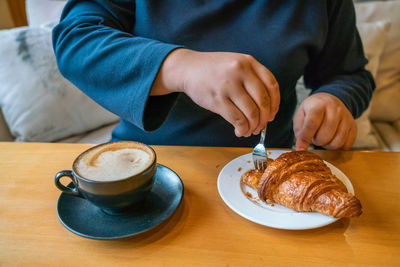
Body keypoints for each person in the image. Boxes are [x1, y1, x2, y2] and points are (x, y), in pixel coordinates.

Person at [52, 0, 375, 150]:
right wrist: (179, 66)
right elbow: (75, 39)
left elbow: (349, 75)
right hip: (151, 164)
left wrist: (335, 99)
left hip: (267, 164)